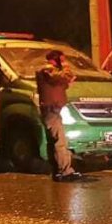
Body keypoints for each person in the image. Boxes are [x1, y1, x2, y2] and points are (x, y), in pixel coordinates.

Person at [36, 50, 81, 182]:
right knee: (59, 140)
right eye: (62, 60)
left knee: (55, 140)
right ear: (55, 60)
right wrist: (66, 67)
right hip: (51, 110)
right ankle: (65, 171)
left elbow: (67, 81)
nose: (64, 62)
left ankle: (57, 170)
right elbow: (61, 78)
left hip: (55, 109)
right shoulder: (47, 70)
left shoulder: (53, 73)